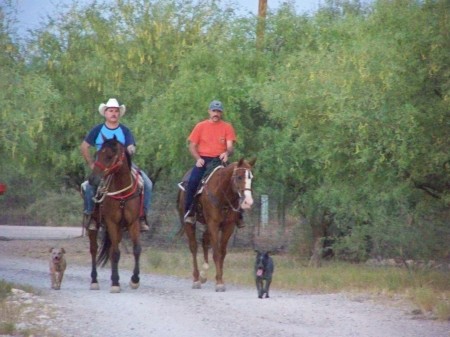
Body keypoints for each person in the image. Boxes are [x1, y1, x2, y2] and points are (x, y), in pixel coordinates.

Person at [80, 98, 152, 232]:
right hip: (102, 164)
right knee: (90, 186)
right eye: (111, 111)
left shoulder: (124, 130)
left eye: (116, 111)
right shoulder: (97, 129)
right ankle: (92, 217)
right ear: (105, 113)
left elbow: (131, 145)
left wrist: (131, 149)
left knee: (147, 184)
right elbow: (84, 147)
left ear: (119, 114)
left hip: (123, 163)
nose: (113, 113)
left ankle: (142, 216)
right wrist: (91, 163)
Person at [184, 100, 244, 227]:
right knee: (193, 181)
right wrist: (197, 158)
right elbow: (192, 146)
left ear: (221, 113)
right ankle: (190, 212)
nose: (216, 113)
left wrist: (227, 153)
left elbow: (230, 147)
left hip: (220, 160)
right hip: (203, 161)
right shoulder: (200, 126)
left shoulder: (227, 127)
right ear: (209, 111)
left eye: (218, 111)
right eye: (214, 111)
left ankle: (239, 215)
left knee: (236, 181)